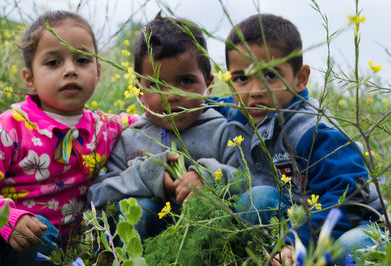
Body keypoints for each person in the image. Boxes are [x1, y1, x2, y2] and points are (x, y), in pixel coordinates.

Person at [213, 13, 381, 265]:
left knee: (350, 249)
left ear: (300, 78)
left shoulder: (316, 132)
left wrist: (296, 241)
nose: (255, 90)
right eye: (241, 78)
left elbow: (348, 197)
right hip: (299, 217)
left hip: (355, 221)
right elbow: (216, 104)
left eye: (270, 75)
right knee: (253, 200)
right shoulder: (244, 112)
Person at [0, 10, 135, 265]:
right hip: (13, 246)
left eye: (82, 60)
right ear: (29, 78)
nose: (70, 70)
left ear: (98, 71)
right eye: (53, 63)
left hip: (68, 251)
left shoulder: (103, 128)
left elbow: (149, 125)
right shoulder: (9, 128)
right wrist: (7, 219)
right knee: (36, 234)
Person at [87, 13, 238, 239]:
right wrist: (148, 176)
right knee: (138, 209)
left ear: (208, 84)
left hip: (210, 241)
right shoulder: (130, 138)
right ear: (139, 91)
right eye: (156, 85)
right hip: (146, 252)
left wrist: (208, 176)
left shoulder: (222, 130)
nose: (171, 96)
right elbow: (97, 195)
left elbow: (246, 180)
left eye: (185, 81)